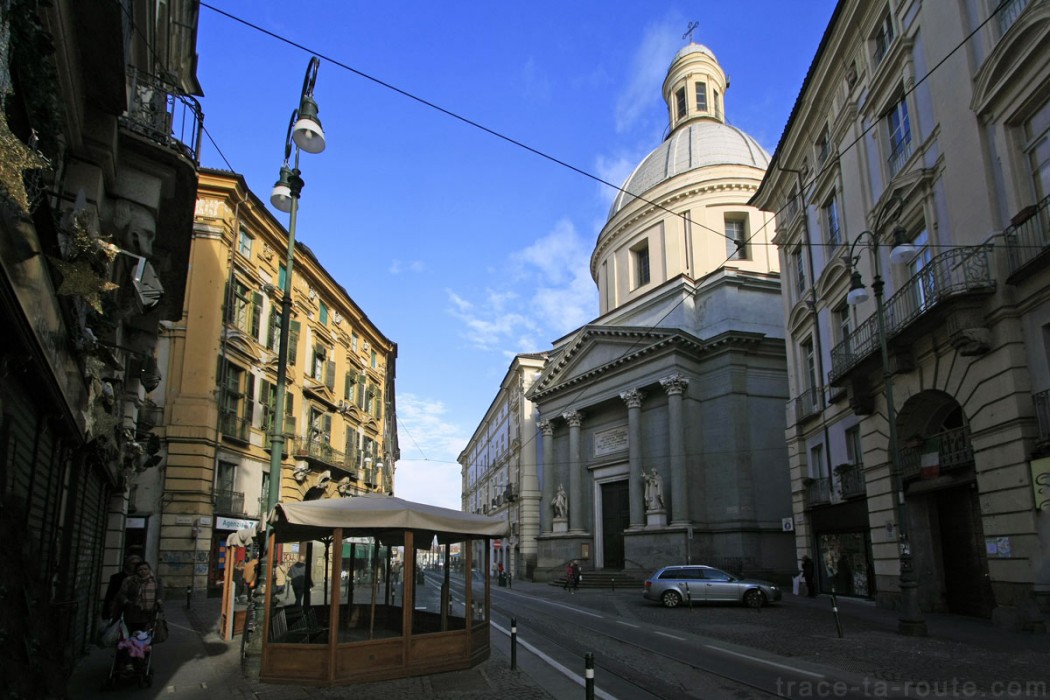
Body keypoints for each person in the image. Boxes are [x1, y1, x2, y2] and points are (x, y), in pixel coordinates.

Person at [114, 560, 162, 632]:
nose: (143, 571)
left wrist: (159, 602)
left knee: (146, 633)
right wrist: (126, 602)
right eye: (140, 570)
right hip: (133, 611)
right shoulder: (129, 580)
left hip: (149, 612)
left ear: (149, 569)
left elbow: (160, 593)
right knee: (133, 632)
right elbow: (121, 594)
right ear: (136, 571)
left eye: (145, 569)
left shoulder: (155, 580)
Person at [103, 554, 142, 621]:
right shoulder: (117, 578)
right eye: (133, 564)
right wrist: (106, 613)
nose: (135, 566)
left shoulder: (143, 578)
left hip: (137, 613)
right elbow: (110, 595)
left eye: (138, 564)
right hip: (119, 610)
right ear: (128, 564)